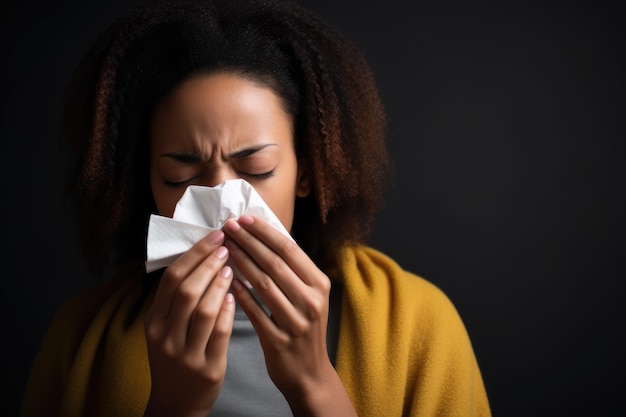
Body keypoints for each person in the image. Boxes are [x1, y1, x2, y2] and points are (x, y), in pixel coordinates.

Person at [22, 0, 491, 415]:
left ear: (305, 171)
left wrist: (314, 384)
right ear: (146, 178)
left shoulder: (418, 325)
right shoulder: (81, 337)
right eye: (179, 175)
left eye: (256, 168)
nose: (222, 202)